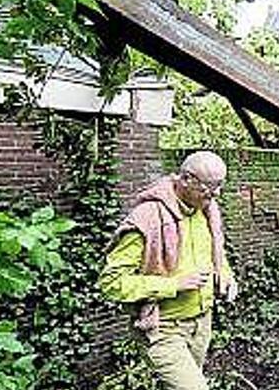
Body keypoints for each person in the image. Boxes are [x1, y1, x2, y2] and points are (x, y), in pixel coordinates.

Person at [99, 151, 238, 390]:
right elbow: (111, 283)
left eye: (220, 185)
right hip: (162, 328)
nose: (216, 194)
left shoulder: (206, 209)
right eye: (209, 187)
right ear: (186, 179)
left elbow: (216, 253)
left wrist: (226, 276)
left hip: (202, 324)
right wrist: (174, 284)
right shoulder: (148, 218)